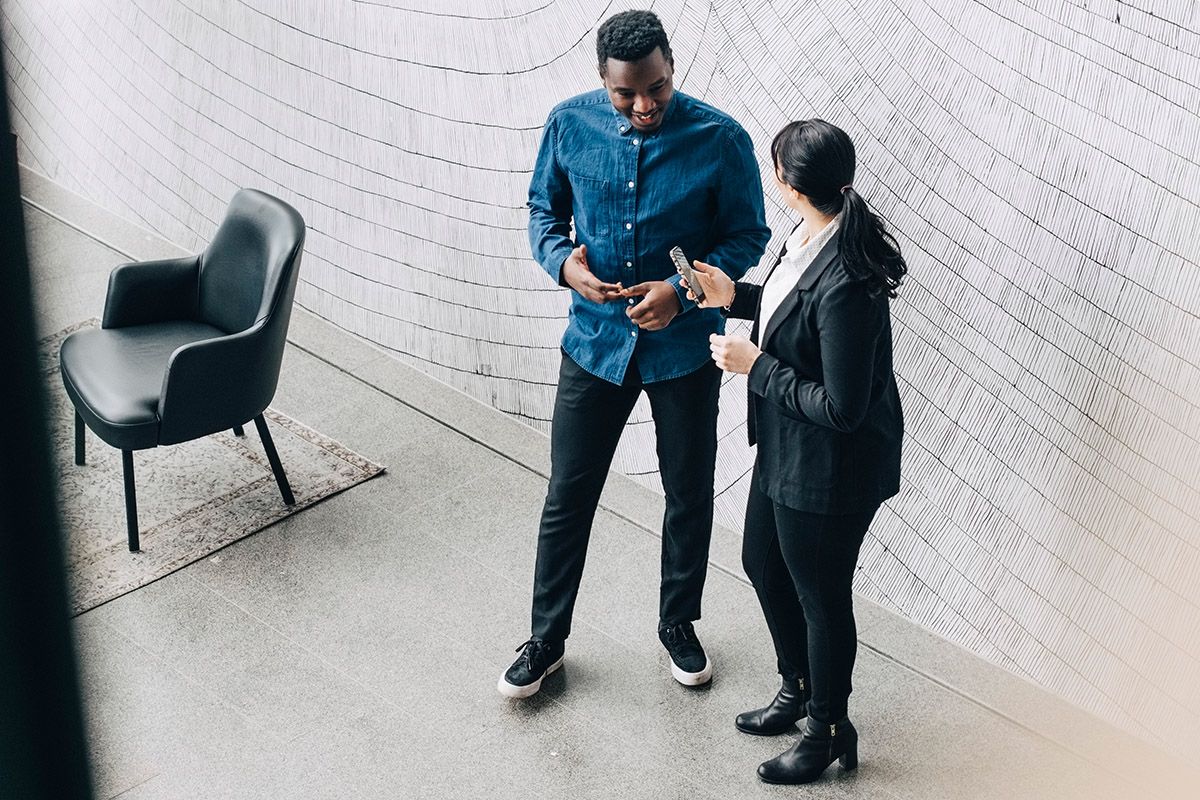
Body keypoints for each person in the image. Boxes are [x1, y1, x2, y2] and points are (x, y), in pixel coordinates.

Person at [498, 9, 771, 699]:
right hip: (593, 345)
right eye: (628, 93)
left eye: (657, 86)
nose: (646, 104)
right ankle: (546, 640)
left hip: (682, 352)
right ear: (603, 81)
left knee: (688, 493)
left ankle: (678, 624)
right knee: (569, 494)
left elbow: (747, 236)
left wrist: (683, 292)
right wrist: (565, 267)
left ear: (671, 67)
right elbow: (541, 212)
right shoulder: (568, 124)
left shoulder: (720, 137)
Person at [686, 119, 905, 783]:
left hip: (831, 466)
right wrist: (735, 296)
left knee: (820, 596)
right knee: (763, 561)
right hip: (788, 444)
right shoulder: (810, 230)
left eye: (773, 167)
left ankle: (829, 730)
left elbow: (844, 408)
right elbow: (789, 314)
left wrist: (754, 367)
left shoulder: (848, 281)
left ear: (789, 185)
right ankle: (799, 688)